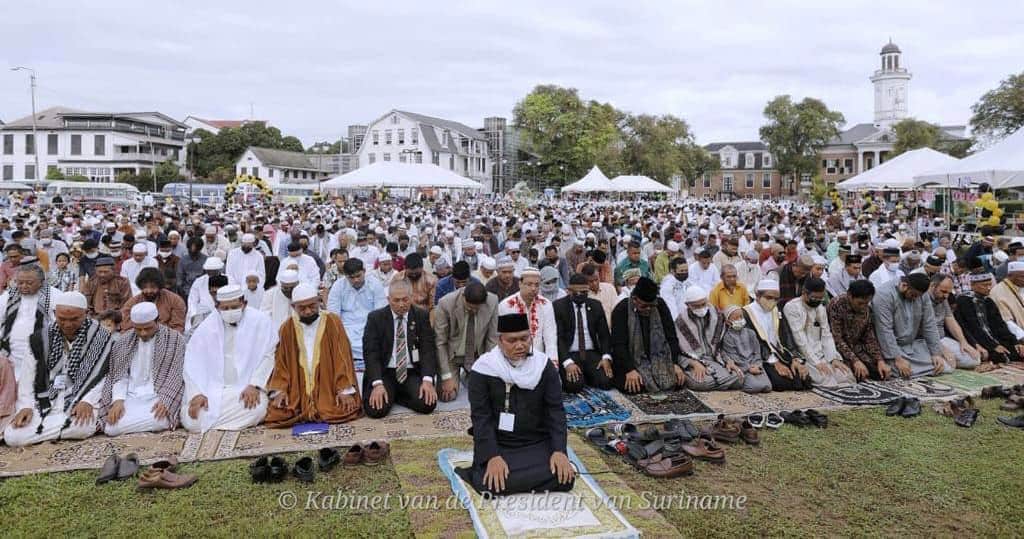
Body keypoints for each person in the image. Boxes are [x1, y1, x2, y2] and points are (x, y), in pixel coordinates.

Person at [456, 313, 574, 496]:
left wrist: (559, 450)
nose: (520, 345)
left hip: (537, 440)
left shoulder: (543, 366)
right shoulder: (483, 369)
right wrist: (493, 456)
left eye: (524, 338)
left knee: (564, 478)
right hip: (499, 443)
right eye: (512, 340)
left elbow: (555, 411)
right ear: (500, 341)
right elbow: (481, 418)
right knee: (490, 484)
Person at [3, 291, 113, 446]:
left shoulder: (101, 337)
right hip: (44, 399)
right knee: (12, 436)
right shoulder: (39, 339)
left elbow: (104, 375)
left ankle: (44, 433)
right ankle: (58, 431)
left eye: (74, 319)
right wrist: (26, 406)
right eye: (62, 319)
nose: (68, 324)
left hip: (79, 399)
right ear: (55, 313)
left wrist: (87, 400)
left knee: (82, 427)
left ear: (86, 313)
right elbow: (28, 376)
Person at [181, 284, 278, 432]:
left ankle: (212, 424)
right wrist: (196, 394)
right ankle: (222, 423)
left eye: (234, 307)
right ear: (217, 307)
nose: (230, 312)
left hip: (245, 388)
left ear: (244, 304)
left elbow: (269, 355)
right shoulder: (206, 327)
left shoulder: (261, 321)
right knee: (192, 419)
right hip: (211, 390)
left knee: (257, 408)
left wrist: (255, 384)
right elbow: (191, 363)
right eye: (225, 309)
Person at [263, 283, 362, 427]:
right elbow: (281, 363)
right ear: (293, 307)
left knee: (342, 409)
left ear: (318, 301)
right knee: (277, 413)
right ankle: (304, 406)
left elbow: (343, 358)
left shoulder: (333, 322)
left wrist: (344, 389)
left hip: (328, 387)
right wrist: (280, 390)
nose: (308, 311)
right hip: (298, 389)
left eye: (312, 306)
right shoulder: (286, 328)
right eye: (302, 308)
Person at [99, 302, 187, 436]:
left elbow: (176, 374)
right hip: (131, 396)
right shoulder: (123, 342)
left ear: (157, 321)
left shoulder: (175, 340)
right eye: (138, 329)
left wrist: (166, 400)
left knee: (159, 419)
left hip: (158, 395)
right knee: (111, 428)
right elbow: (119, 375)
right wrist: (118, 400)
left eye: (148, 328)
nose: (143, 333)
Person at [361, 280, 438, 418]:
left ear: (411, 297)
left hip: (411, 371)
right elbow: (370, 353)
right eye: (396, 300)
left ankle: (397, 395)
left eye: (405, 299)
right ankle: (391, 394)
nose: (401, 304)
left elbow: (428, 350)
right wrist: (377, 384)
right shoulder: (376, 318)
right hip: (385, 371)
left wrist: (427, 380)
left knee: (427, 405)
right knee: (375, 410)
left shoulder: (421, 316)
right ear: (388, 299)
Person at [610, 277, 687, 394]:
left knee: (677, 381)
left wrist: (674, 363)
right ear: (635, 299)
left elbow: (671, 337)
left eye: (652, 306)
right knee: (635, 386)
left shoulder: (660, 305)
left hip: (659, 359)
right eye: (644, 306)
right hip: (631, 361)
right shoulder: (621, 309)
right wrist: (629, 370)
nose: (649, 309)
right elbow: (618, 345)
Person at [782, 277, 855, 387]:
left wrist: (833, 359)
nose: (817, 301)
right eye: (814, 298)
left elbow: (826, 335)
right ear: (804, 293)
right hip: (802, 355)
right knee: (827, 380)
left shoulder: (820, 308)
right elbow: (800, 340)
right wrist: (816, 363)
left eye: (820, 298)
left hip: (821, 353)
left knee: (846, 376)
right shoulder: (792, 307)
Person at [871, 274, 946, 379]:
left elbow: (929, 324)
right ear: (904, 285)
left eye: (918, 296)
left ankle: (919, 368)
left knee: (942, 364)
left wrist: (936, 353)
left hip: (912, 346)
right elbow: (884, 331)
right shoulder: (884, 295)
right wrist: (898, 359)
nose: (915, 298)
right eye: (913, 295)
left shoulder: (922, 295)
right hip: (890, 348)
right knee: (898, 371)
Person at [741, 279, 811, 390]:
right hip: (761, 357)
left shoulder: (776, 311)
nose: (773, 301)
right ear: (758, 296)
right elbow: (753, 343)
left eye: (776, 299)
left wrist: (794, 359)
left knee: (804, 379)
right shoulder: (746, 313)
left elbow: (786, 336)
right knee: (781, 382)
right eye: (769, 298)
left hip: (779, 353)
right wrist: (774, 363)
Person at [434, 281, 498, 402]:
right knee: (447, 396)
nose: (473, 311)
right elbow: (440, 343)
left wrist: (489, 368)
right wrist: (446, 376)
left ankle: (469, 375)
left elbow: (492, 338)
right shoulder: (445, 303)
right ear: (463, 296)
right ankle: (457, 375)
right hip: (452, 356)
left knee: (489, 393)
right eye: (470, 307)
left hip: (477, 355)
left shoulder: (492, 301)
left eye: (477, 308)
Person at [553, 274, 613, 393]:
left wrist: (606, 357)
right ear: (569, 291)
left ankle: (588, 374)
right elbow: (558, 338)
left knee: (607, 382)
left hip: (591, 352)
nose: (580, 295)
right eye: (576, 292)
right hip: (571, 353)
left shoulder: (595, 305)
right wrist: (567, 362)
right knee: (574, 386)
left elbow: (604, 334)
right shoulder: (559, 306)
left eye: (584, 292)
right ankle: (582, 376)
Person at [674, 285, 739, 391]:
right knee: (700, 384)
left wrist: (728, 361)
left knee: (739, 378)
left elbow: (721, 346)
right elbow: (677, 353)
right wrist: (693, 363)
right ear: (687, 305)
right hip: (693, 362)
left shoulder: (717, 316)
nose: (701, 308)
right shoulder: (681, 322)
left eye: (703, 304)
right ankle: (721, 382)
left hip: (716, 359)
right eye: (696, 306)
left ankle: (718, 382)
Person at [954, 272, 1022, 370]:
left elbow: (1000, 325)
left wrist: (1015, 342)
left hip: (994, 339)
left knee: (1018, 351)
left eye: (990, 284)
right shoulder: (964, 301)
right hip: (977, 341)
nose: (989, 288)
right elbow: (973, 327)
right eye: (984, 285)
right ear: (973, 285)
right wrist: (993, 346)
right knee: (999, 356)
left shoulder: (988, 301)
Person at [327, 258, 387, 368]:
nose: (355, 280)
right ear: (345, 276)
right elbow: (333, 315)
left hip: (370, 326)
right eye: (351, 277)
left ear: (364, 271)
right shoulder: (338, 286)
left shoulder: (375, 284)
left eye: (358, 276)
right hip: (346, 328)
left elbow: (381, 313)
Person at [497, 267, 557, 365]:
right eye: (529, 284)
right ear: (520, 284)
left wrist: (552, 363)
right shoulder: (506, 305)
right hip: (513, 360)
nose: (533, 289)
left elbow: (550, 337)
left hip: (539, 359)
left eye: (537, 285)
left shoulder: (546, 304)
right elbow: (502, 339)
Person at [927, 274, 982, 370]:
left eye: (948, 292)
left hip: (941, 338)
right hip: (926, 340)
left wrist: (963, 342)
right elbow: (923, 331)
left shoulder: (943, 298)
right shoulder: (922, 299)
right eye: (943, 291)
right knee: (946, 367)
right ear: (932, 286)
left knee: (974, 359)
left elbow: (950, 319)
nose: (946, 296)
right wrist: (941, 349)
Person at [719, 305, 772, 393]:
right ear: (728, 322)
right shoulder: (728, 337)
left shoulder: (751, 333)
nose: (740, 320)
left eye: (741, 317)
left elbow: (757, 352)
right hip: (742, 367)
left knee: (767, 387)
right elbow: (734, 357)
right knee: (753, 387)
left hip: (755, 364)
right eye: (736, 318)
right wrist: (748, 368)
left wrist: (757, 365)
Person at [120, 267, 187, 334]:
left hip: (166, 338)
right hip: (139, 337)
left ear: (159, 286)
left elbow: (178, 327)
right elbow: (126, 327)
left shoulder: (175, 301)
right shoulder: (132, 303)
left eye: (153, 287)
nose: (149, 291)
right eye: (145, 287)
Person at [990, 261, 1024, 340]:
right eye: (1022, 276)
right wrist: (1022, 336)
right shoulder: (998, 292)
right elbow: (1006, 321)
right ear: (1010, 276)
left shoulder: (1021, 286)